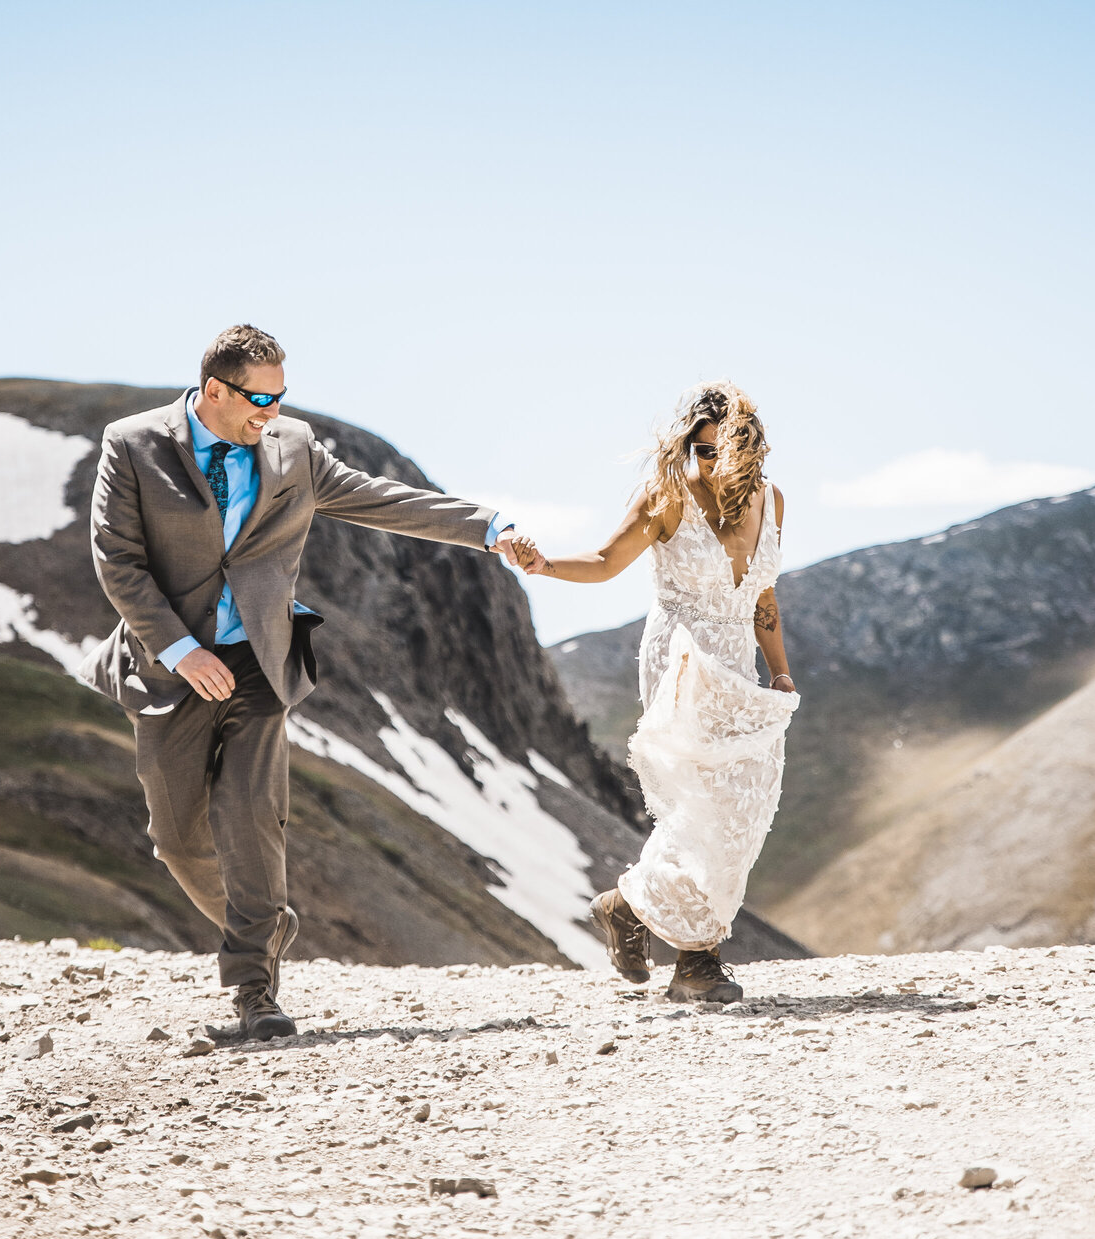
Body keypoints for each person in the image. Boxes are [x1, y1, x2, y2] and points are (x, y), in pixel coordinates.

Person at [82, 324, 523, 1039]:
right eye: (260, 398)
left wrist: (487, 525)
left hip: (261, 658)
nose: (272, 412)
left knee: (254, 819)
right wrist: (184, 649)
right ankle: (265, 921)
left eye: (282, 396)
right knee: (177, 837)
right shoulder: (132, 444)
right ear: (214, 391)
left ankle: (255, 989)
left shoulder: (292, 446)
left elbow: (380, 498)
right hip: (173, 665)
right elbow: (118, 561)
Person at [507, 382, 798, 1004]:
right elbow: (607, 561)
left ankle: (625, 907)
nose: (710, 462)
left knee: (746, 808)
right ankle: (699, 962)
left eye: (723, 449)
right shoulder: (668, 497)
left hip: (739, 668)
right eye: (700, 449)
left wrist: (779, 672)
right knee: (701, 807)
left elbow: (764, 597)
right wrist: (543, 565)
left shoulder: (772, 502)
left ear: (752, 447)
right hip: (682, 661)